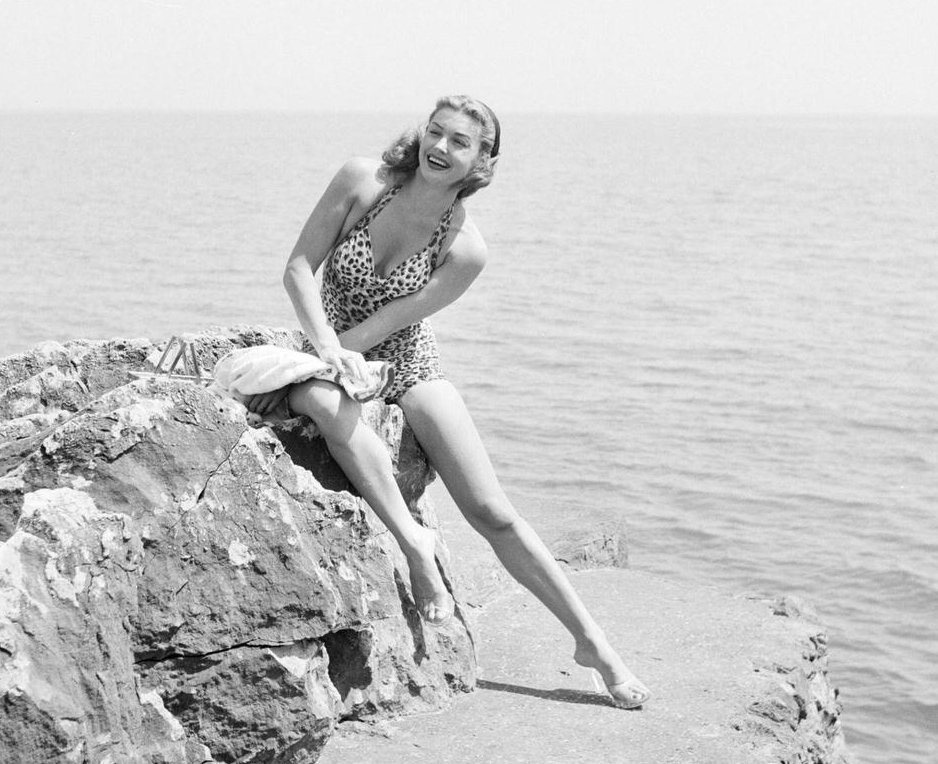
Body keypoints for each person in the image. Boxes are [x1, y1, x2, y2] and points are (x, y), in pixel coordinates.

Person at [257, 94, 649, 711]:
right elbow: (300, 269)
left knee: (491, 508)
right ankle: (415, 544)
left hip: (403, 357)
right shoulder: (364, 180)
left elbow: (396, 319)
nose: (439, 148)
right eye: (434, 133)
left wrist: (352, 356)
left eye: (459, 142)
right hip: (325, 346)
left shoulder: (466, 249)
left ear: (482, 161)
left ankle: (592, 642)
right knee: (325, 404)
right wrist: (329, 352)